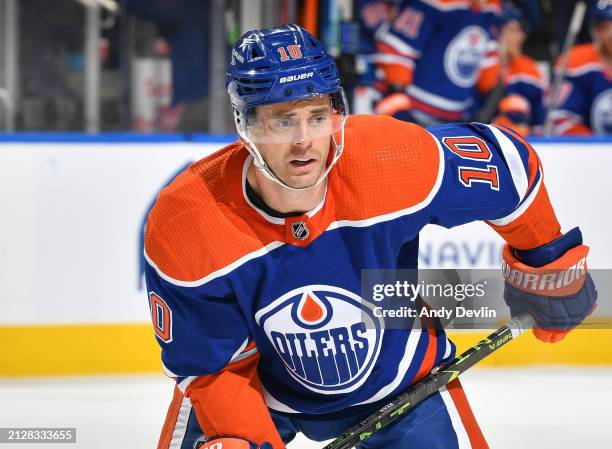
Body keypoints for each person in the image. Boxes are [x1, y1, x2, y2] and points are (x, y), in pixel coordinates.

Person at [144, 24, 597, 449]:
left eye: (317, 116)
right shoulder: (190, 221)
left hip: (399, 385)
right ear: (247, 125)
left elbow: (508, 167)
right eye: (283, 121)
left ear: (337, 113)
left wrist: (547, 259)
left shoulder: (389, 160)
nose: (304, 140)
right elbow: (215, 368)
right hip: (258, 389)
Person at [373, 0, 502, 126]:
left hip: (459, 118)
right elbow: (397, 49)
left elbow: (487, 63)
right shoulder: (435, 4)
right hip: (416, 112)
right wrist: (399, 106)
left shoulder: (491, 9)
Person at [551, 1, 612, 135]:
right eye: (605, 28)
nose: (611, 34)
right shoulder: (574, 62)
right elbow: (561, 118)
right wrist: (593, 147)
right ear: (595, 31)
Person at [491, 2, 547, 135]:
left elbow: (539, 123)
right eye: (513, 30)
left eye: (520, 31)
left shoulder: (528, 69)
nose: (521, 37)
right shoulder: (478, 69)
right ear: (495, 32)